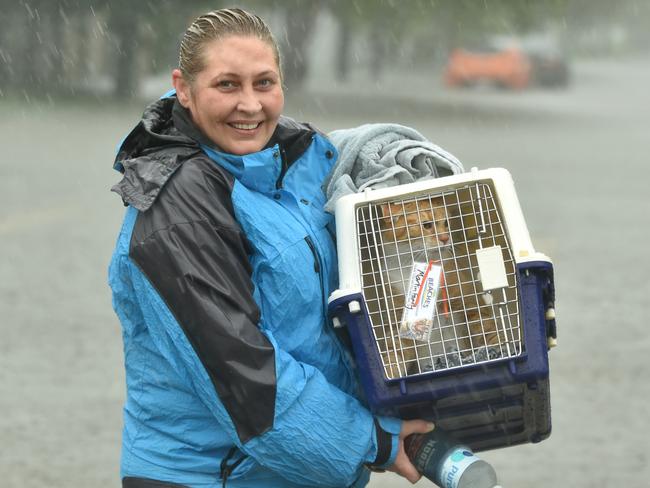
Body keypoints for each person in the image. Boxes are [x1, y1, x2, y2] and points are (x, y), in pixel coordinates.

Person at [108, 8, 433, 488]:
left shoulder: (301, 165)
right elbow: (243, 375)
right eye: (227, 85)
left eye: (264, 83)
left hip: (295, 473)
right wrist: (373, 441)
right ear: (183, 88)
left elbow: (345, 306)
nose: (250, 104)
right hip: (209, 476)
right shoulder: (177, 206)